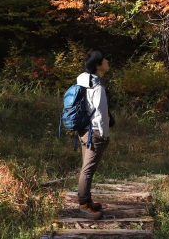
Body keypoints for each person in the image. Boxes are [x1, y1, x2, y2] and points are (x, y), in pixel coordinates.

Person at [75, 50, 111, 218]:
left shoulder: (83, 80)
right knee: (87, 170)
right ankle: (83, 205)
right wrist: (104, 134)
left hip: (83, 129)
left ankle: (87, 201)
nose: (107, 61)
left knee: (86, 168)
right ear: (98, 65)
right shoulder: (97, 87)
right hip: (95, 131)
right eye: (104, 59)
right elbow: (102, 113)